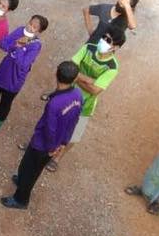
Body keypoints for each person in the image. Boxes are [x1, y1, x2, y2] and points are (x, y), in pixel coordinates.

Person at [1, 61, 82, 210]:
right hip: (57, 143)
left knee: (29, 170)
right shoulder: (78, 95)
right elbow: (74, 121)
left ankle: (21, 199)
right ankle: (21, 182)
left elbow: (50, 129)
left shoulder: (54, 103)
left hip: (42, 145)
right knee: (32, 169)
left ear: (56, 75)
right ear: (75, 79)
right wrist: (63, 143)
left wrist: (51, 148)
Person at [50, 29, 123, 168]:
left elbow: (95, 90)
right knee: (54, 122)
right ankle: (46, 147)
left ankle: (57, 158)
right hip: (67, 94)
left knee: (74, 134)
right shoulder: (88, 47)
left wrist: (76, 77)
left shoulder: (112, 67)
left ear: (116, 47)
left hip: (85, 104)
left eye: (108, 40)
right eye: (104, 37)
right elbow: (71, 67)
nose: (103, 41)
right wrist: (89, 80)